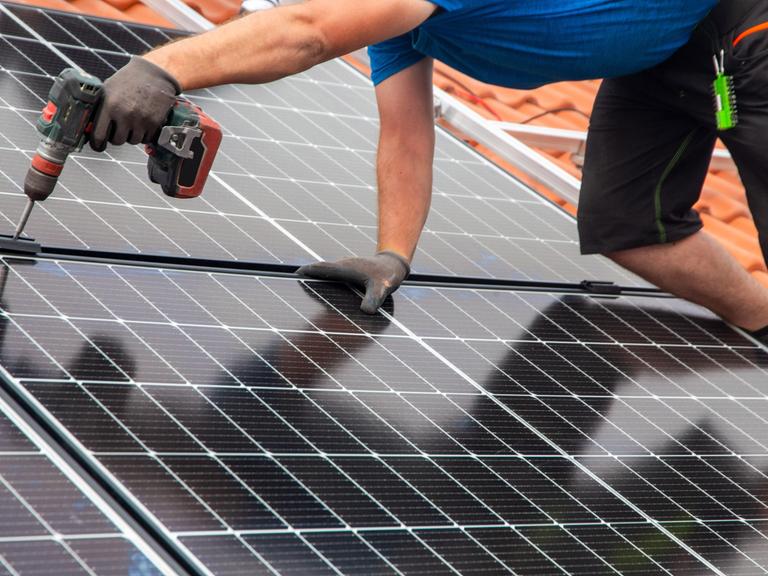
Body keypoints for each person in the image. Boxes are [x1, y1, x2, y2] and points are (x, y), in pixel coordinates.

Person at [90, 0, 768, 340]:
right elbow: (406, 132)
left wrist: (165, 65)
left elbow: (307, 33)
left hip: (743, 25)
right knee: (630, 227)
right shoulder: (396, 23)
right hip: (658, 60)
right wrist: (394, 251)